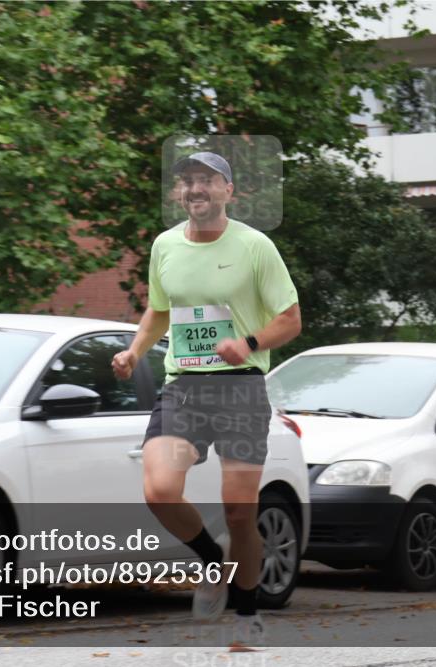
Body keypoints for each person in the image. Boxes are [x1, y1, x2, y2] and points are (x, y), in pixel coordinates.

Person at [111, 151, 301, 647]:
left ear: (228, 191)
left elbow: (290, 319)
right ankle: (213, 561)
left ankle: (246, 611)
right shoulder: (164, 246)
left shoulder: (255, 247)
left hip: (239, 387)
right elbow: (159, 310)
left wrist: (249, 344)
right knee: (159, 490)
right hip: (185, 387)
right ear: (180, 193)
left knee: (240, 511)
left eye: (207, 181)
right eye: (188, 182)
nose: (196, 189)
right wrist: (134, 351)